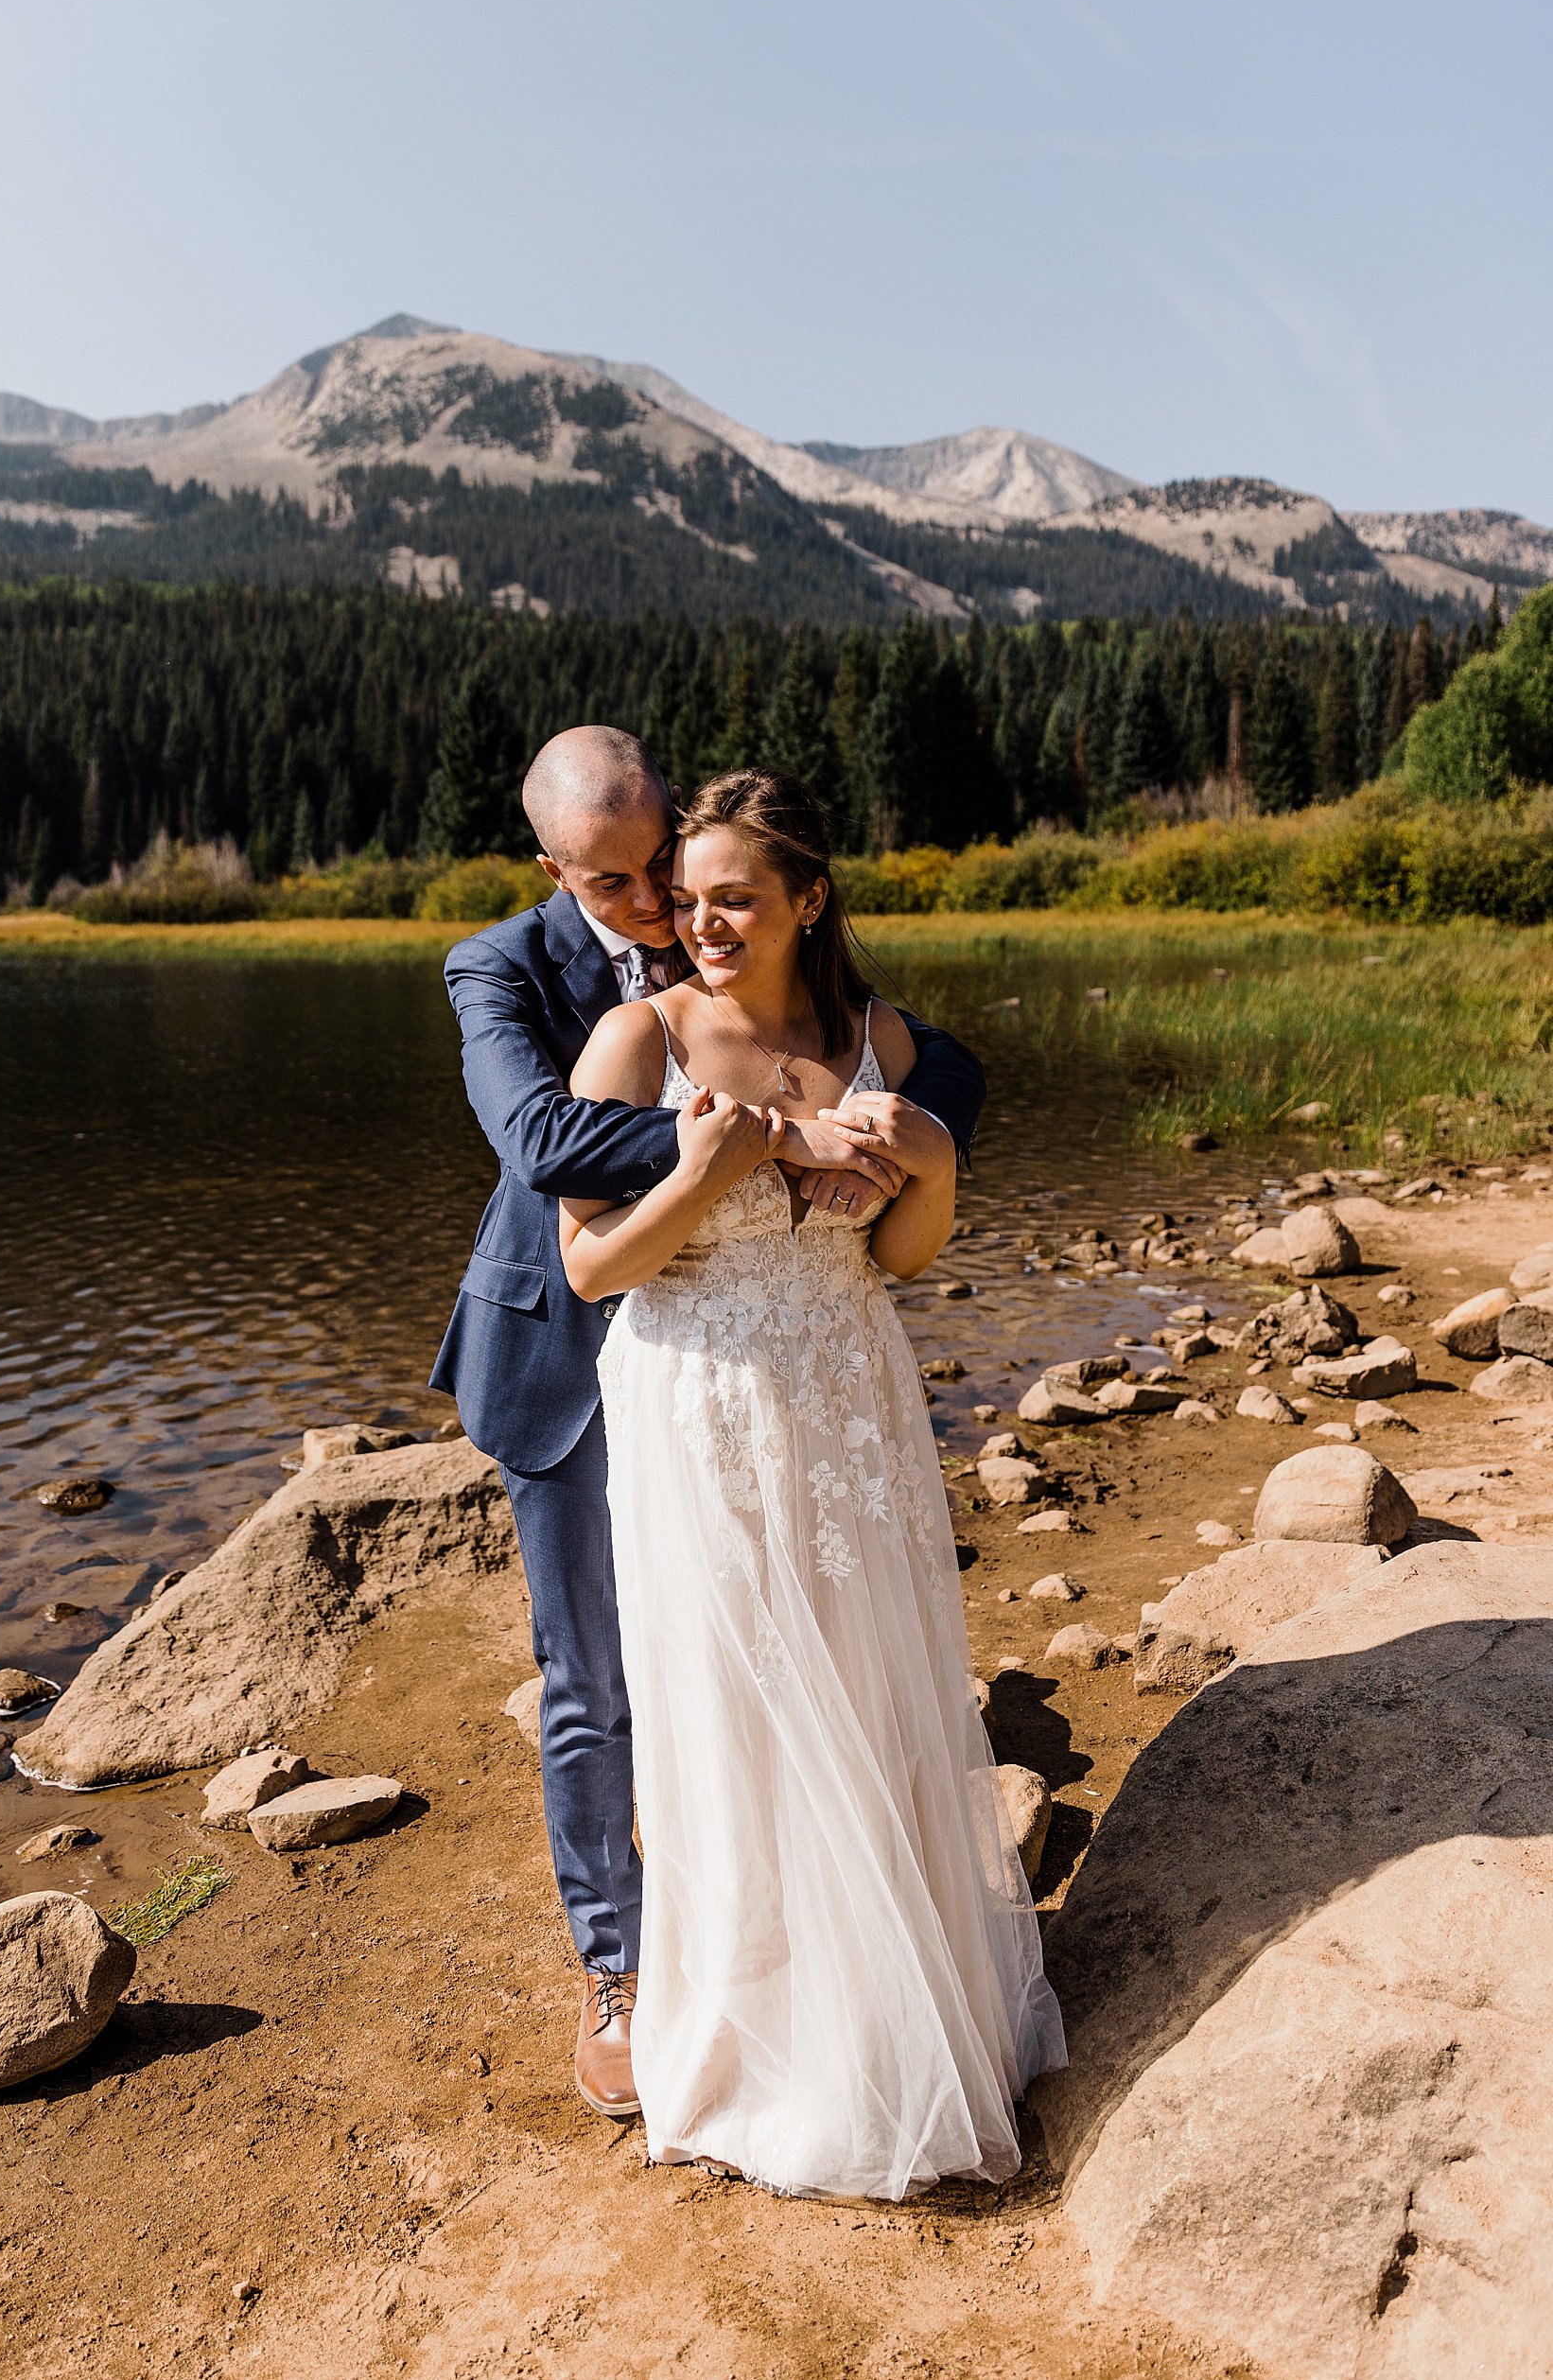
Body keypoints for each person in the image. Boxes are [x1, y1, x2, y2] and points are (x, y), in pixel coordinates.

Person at [431, 727, 988, 2121]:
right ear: (557, 869)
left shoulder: (788, 959)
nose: (659, 910)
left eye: (666, 869)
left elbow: (943, 1075)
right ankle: (622, 1968)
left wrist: (909, 1133)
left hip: (802, 1366)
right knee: (595, 1683)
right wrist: (786, 1139)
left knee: (807, 1648)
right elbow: (549, 1151)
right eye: (620, 886)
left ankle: (842, 1945)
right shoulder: (504, 971)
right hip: (588, 1353)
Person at [556, 767, 1064, 2199]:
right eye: (690, 898)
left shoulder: (874, 1038)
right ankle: (753, 2041)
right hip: (696, 1403)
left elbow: (901, 1259)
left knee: (865, 1685)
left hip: (849, 1394)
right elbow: (589, 1267)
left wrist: (931, 1165)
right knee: (729, 1709)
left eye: (736, 899)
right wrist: (706, 1173)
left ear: (807, 902)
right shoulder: (635, 1038)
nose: (702, 922)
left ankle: (897, 2017)